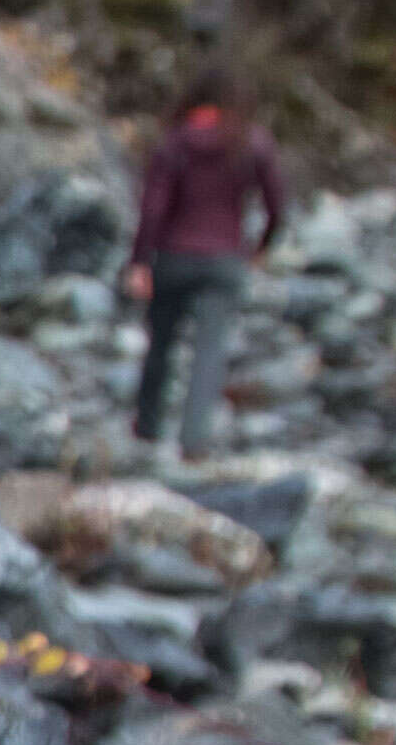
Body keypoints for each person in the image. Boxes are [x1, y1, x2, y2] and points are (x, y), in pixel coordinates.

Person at [121, 67, 289, 458]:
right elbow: (277, 206)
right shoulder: (252, 142)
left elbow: (153, 210)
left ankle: (147, 429)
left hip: (174, 257)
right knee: (209, 350)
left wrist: (139, 262)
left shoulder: (175, 143)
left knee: (160, 344)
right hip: (225, 259)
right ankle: (194, 441)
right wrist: (261, 246)